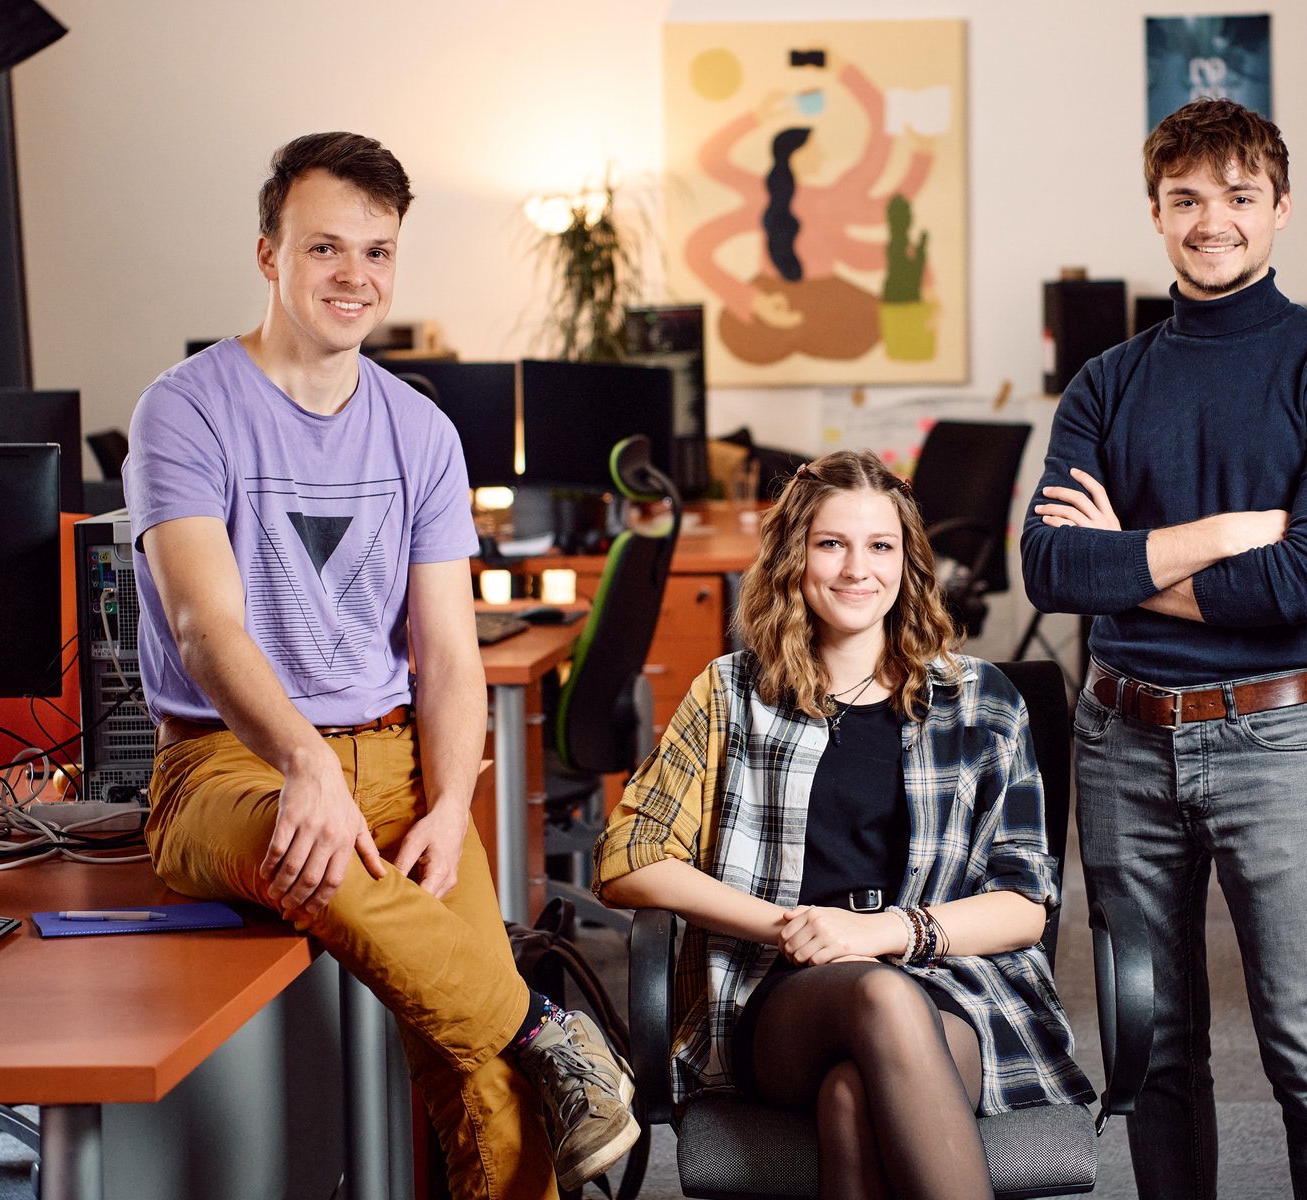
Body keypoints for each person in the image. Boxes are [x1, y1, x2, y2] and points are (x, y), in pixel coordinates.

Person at [122, 131, 638, 1200]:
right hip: (226, 768)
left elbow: (447, 654)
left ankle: (533, 1047)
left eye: (377, 251)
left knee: (494, 1089)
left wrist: (448, 804)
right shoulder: (186, 407)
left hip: (396, 762)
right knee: (318, 860)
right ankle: (551, 1028)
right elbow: (205, 626)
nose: (354, 275)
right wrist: (305, 762)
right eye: (325, 248)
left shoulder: (420, 431)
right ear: (269, 254)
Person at [1020, 99, 1307, 1200]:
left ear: (1280, 208)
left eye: (1238, 196)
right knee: (1153, 1058)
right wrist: (1227, 536)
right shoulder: (1106, 381)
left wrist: (1128, 564)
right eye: (1185, 199)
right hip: (1121, 742)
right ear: (1156, 213)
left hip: (1274, 740)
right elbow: (1050, 567)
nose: (1211, 220)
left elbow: (1306, 583)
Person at [594, 450, 1092, 1200]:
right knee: (880, 998)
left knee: (851, 1102)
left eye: (880, 545)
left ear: (907, 563)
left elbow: (1025, 907)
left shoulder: (982, 701)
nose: (858, 569)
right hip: (783, 998)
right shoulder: (733, 694)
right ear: (795, 557)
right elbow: (628, 860)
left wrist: (882, 933)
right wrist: (793, 928)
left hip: (951, 990)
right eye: (832, 543)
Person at [684, 61, 933, 365]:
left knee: (872, 322)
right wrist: (753, 302)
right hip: (779, 296)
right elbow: (710, 164)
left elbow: (884, 165)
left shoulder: (836, 199)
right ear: (795, 154)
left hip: (826, 299)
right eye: (815, 148)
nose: (824, 155)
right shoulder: (763, 197)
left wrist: (841, 68)